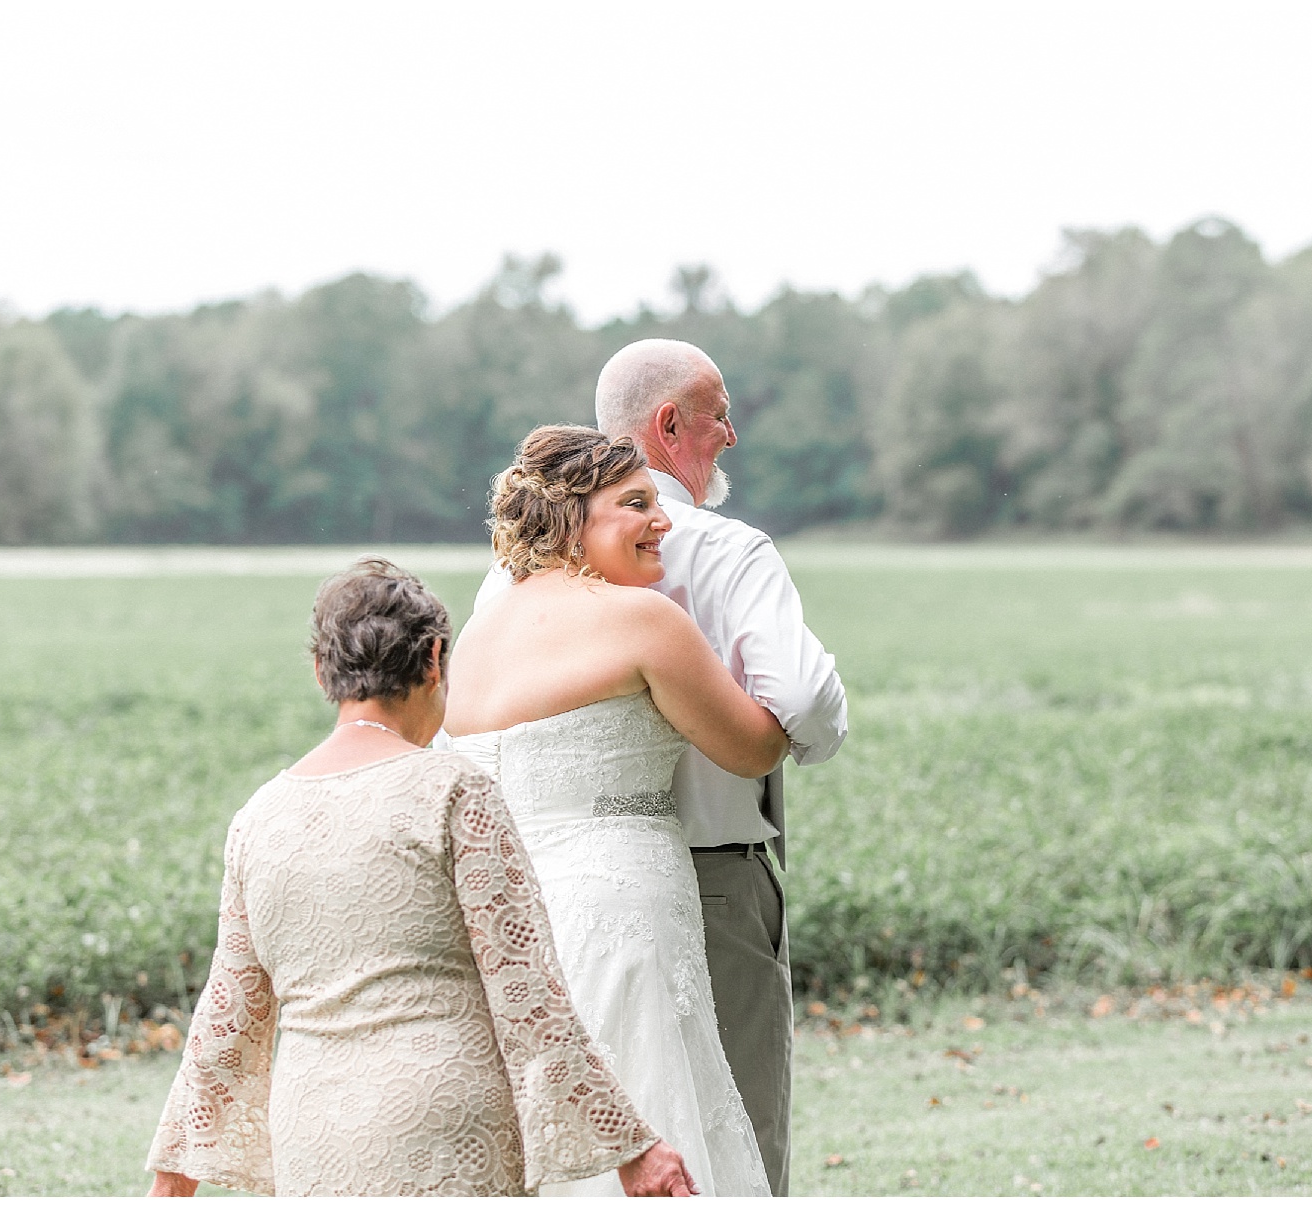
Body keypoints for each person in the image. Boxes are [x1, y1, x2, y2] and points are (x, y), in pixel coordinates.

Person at [144, 557, 697, 1197]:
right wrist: (632, 1145)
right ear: (435, 660)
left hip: (311, 1129)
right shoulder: (457, 791)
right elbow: (528, 992)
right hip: (447, 1120)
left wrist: (174, 1176)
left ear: (323, 671)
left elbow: (229, 1010)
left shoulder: (258, 817)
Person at [472, 340, 848, 1195]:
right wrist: (817, 724)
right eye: (719, 413)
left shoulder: (499, 594)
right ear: (669, 422)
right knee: (723, 1128)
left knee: (558, 1136)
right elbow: (792, 711)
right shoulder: (705, 565)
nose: (733, 434)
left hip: (528, 896)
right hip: (684, 893)